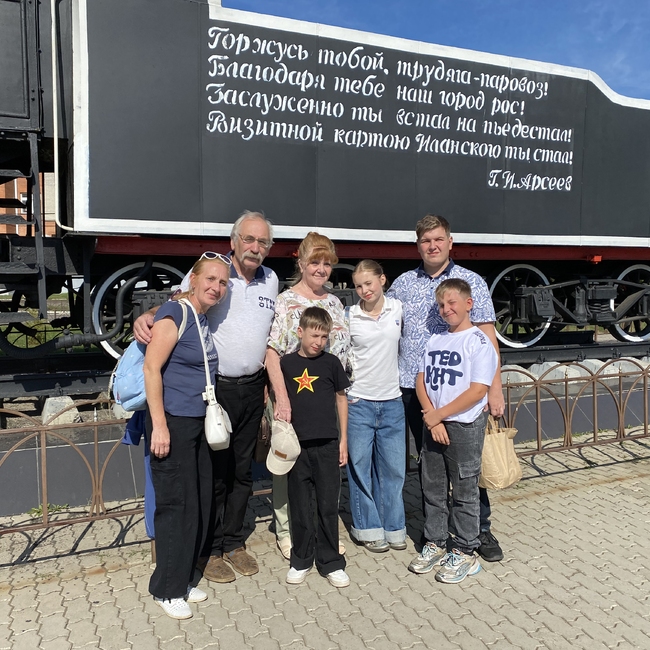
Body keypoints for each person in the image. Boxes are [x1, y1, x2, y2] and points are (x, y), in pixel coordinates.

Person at [134, 211, 279, 583]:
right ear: (234, 241)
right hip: (217, 391)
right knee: (213, 473)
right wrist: (148, 315)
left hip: (253, 387)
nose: (255, 247)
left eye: (263, 242)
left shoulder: (271, 280)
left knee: (242, 472)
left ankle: (234, 541)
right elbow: (181, 302)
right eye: (249, 239)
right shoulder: (216, 272)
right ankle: (210, 550)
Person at [386, 214, 505, 563]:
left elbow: (488, 336)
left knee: (467, 468)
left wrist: (495, 388)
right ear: (417, 246)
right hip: (416, 389)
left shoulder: (471, 282)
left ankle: (479, 529)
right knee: (432, 466)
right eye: (426, 241)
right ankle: (435, 533)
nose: (433, 246)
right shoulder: (403, 284)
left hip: (461, 395)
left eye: (439, 239)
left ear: (450, 242)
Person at [144, 254, 230, 619]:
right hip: (173, 423)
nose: (216, 287)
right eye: (210, 279)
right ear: (193, 280)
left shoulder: (201, 317)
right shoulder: (175, 313)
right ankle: (166, 590)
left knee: (195, 503)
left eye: (222, 282)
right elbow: (151, 368)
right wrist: (160, 425)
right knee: (175, 507)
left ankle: (181, 579)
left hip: (196, 423)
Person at [266, 232, 350, 560]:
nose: (321, 269)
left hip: (325, 400)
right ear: (301, 263)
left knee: (325, 471)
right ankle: (288, 531)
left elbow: (342, 353)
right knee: (287, 463)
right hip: (293, 398)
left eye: (327, 263)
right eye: (315, 262)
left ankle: (325, 530)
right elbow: (272, 353)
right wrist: (281, 399)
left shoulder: (335, 303)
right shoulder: (286, 302)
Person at [409, 278, 498, 583]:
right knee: (433, 487)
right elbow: (421, 380)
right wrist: (432, 419)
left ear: (468, 304)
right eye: (441, 305)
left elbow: (477, 391)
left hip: (464, 425)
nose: (446, 309)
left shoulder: (478, 342)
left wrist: (439, 416)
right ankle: (435, 542)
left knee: (464, 491)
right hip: (434, 424)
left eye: (452, 303)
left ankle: (465, 550)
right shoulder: (435, 340)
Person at [280, 307, 351, 587]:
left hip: (328, 444)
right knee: (299, 505)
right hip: (296, 447)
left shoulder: (331, 363)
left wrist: (343, 439)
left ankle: (331, 561)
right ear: (300, 332)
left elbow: (341, 399)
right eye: (314, 335)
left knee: (327, 505)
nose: (318, 342)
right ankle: (301, 559)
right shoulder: (286, 364)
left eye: (324, 337)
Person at [346, 260, 407, 553]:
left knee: (394, 470)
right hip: (359, 401)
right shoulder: (350, 315)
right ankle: (367, 528)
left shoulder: (398, 308)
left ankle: (394, 527)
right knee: (360, 469)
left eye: (368, 283)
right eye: (358, 286)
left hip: (392, 400)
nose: (364, 290)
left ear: (382, 280)